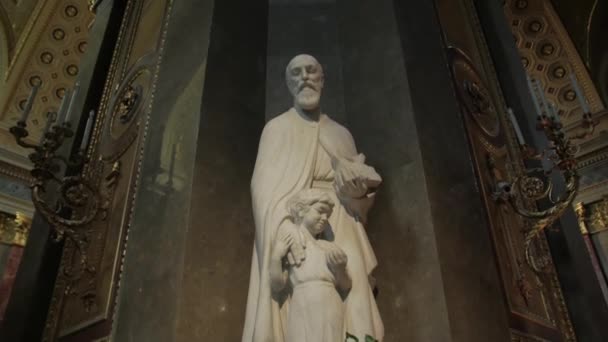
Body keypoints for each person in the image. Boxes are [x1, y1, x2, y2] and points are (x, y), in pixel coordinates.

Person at [243, 54, 384, 342]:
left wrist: (357, 191)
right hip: (296, 225)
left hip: (343, 222)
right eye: (296, 73)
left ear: (323, 79)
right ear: (288, 83)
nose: (304, 77)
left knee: (355, 286)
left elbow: (361, 203)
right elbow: (263, 191)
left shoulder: (341, 134)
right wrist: (285, 229)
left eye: (311, 71)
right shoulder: (276, 129)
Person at [269, 189, 351, 342]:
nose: (324, 218)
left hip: (330, 304)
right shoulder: (290, 243)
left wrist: (340, 268)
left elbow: (345, 285)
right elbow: (277, 285)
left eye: (327, 215)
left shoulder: (329, 247)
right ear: (301, 210)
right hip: (303, 303)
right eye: (320, 211)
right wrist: (275, 257)